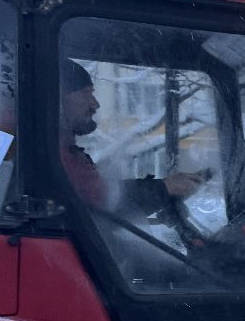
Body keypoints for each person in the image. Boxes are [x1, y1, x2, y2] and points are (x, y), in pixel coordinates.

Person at [60, 60, 208, 213]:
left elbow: (99, 205)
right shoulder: (56, 156)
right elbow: (105, 200)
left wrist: (165, 190)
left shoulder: (61, 149)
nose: (95, 104)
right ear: (57, 97)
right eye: (85, 93)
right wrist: (166, 187)